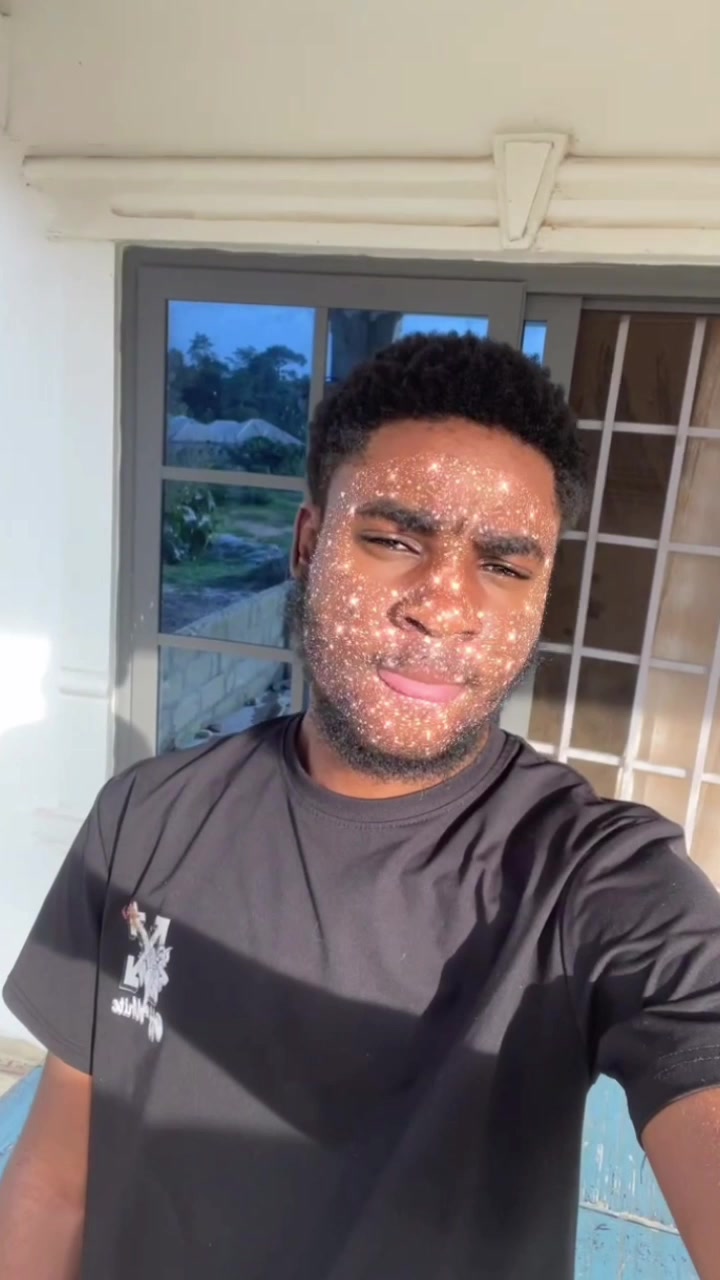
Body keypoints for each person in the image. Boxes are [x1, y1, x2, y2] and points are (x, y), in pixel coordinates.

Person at [1, 334, 719, 1280]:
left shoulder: (594, 881)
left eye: (504, 567)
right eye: (393, 541)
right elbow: (56, 1181)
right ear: (308, 546)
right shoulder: (146, 817)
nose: (443, 607)